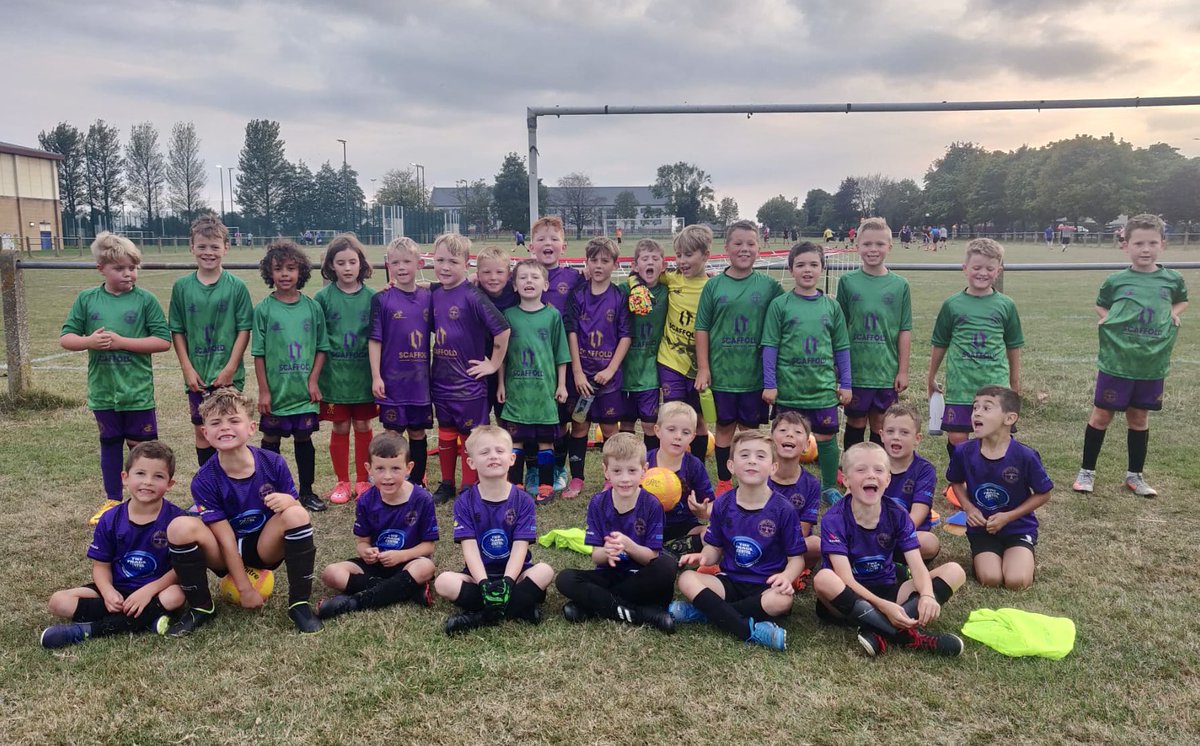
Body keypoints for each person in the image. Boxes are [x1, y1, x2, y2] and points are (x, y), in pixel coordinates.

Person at [163, 388, 323, 635]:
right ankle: (201, 607)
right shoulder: (204, 479)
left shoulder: (273, 462)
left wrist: (290, 502)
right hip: (223, 551)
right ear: (205, 433)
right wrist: (245, 588)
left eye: (234, 420)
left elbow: (301, 517)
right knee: (179, 527)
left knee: (296, 514)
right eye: (216, 422)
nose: (225, 427)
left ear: (251, 427)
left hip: (263, 548)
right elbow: (225, 539)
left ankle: (299, 605)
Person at [813, 442, 966, 657]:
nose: (871, 475)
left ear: (888, 479)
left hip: (888, 588)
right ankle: (911, 638)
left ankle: (877, 629)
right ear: (846, 480)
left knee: (955, 571)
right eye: (861, 469)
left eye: (878, 470)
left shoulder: (898, 514)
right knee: (824, 578)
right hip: (846, 596)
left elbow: (917, 566)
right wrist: (883, 606)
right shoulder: (834, 518)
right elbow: (845, 578)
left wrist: (927, 595)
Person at [60, 232, 172, 525]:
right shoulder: (87, 299)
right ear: (101, 268)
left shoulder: (145, 300)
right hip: (103, 393)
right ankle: (112, 501)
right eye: (119, 268)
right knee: (110, 444)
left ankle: (148, 501)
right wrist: (88, 342)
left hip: (137, 393)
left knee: (144, 451)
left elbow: (163, 341)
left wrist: (123, 342)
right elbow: (66, 338)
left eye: (132, 268)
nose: (128, 274)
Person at [1073, 214, 1188, 497]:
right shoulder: (1116, 280)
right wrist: (1108, 318)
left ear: (1163, 244)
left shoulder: (1172, 279)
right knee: (1101, 415)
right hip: (1117, 362)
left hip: (1150, 364)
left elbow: (1182, 300)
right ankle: (1086, 472)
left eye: (1152, 243)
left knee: (1139, 417)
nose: (1145, 249)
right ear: (1126, 245)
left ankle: (1135, 476)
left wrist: (1173, 314)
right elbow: (1101, 305)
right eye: (1138, 243)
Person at [41, 442, 186, 648]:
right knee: (58, 601)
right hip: (117, 589)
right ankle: (146, 619)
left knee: (176, 596)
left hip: (156, 591)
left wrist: (147, 592)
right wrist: (108, 592)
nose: (148, 482)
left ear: (170, 484)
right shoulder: (110, 518)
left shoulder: (178, 520)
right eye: (140, 473)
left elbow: (179, 569)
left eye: (158, 476)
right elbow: (101, 566)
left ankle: (90, 630)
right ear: (125, 478)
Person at [670, 430, 804, 652]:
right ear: (731, 466)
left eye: (760, 456)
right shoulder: (723, 503)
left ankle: (706, 612)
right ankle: (748, 629)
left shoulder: (784, 509)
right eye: (744, 455)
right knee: (686, 579)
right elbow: (714, 548)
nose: (752, 460)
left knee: (782, 600)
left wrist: (787, 577)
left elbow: (797, 559)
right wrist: (703, 557)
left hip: (766, 586)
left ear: (773, 467)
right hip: (729, 582)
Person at [434, 425, 554, 634]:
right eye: (484, 452)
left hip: (516, 575)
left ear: (512, 458)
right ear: (471, 462)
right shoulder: (464, 501)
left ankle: (481, 617)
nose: (493, 456)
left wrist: (508, 582)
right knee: (443, 582)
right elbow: (470, 550)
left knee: (545, 571)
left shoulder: (523, 500)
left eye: (500, 451)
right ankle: (519, 607)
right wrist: (482, 583)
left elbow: (520, 548)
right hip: (478, 576)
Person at [695, 219, 784, 494]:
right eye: (738, 243)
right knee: (724, 428)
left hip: (754, 376)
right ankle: (724, 481)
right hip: (722, 374)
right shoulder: (713, 286)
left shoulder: (770, 286)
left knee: (749, 431)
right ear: (726, 247)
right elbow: (702, 328)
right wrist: (703, 368)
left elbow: (786, 315)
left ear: (759, 248)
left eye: (750, 243)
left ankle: (751, 479)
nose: (744, 249)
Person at [554, 433, 676, 631]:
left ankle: (593, 606)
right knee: (565, 578)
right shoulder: (598, 503)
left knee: (667, 566)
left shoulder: (652, 504)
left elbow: (651, 557)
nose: (625, 478)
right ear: (606, 471)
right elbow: (597, 556)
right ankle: (639, 614)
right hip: (609, 575)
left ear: (644, 471)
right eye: (617, 471)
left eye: (632, 470)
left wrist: (628, 545)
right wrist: (607, 552)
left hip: (641, 577)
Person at [762, 241, 851, 505]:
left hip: (822, 389)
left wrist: (846, 383)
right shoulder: (780, 305)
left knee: (826, 437)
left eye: (813, 264)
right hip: (789, 389)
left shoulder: (832, 307)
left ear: (822, 268)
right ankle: (782, 481)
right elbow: (770, 346)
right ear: (791, 269)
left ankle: (827, 487)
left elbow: (842, 347)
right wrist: (770, 383)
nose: (807, 270)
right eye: (800, 265)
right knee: (785, 437)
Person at [316, 432, 438, 619]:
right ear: (369, 469)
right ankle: (406, 590)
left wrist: (401, 556)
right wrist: (366, 551)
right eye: (380, 468)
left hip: (408, 563)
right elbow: (362, 542)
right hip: (376, 566)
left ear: (409, 468)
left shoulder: (422, 499)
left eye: (395, 469)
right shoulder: (366, 500)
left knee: (426, 568)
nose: (387, 476)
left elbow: (428, 546)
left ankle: (355, 602)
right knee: (331, 573)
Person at [429, 233, 511, 504]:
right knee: (445, 433)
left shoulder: (473, 296)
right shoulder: (435, 293)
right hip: (441, 381)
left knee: (471, 437)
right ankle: (446, 484)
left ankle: (468, 485)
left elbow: (503, 330)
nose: (445, 267)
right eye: (440, 260)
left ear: (466, 264)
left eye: (453, 262)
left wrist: (493, 364)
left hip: (469, 384)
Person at [927, 238, 1023, 461]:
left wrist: (1014, 381)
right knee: (957, 437)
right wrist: (931, 376)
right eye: (977, 267)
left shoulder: (1006, 305)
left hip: (995, 384)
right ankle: (961, 476)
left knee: (994, 434)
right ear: (965, 268)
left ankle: (988, 474)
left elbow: (1013, 345)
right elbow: (940, 342)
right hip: (960, 385)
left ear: (998, 271)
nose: (982, 273)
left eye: (989, 268)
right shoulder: (952, 304)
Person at [169, 216, 253, 468]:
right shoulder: (182, 287)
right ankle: (209, 484)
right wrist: (187, 369)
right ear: (191, 247)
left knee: (231, 429)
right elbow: (177, 330)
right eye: (202, 246)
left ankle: (234, 481)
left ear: (226, 247)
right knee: (203, 431)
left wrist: (230, 368)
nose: (208, 252)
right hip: (197, 376)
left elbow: (244, 329)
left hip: (229, 376)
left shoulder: (237, 287)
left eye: (215, 246)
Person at [948, 386, 1052, 590]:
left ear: (1009, 418)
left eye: (986, 408)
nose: (977, 413)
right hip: (982, 529)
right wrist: (969, 508)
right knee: (991, 579)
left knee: (1016, 581)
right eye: (975, 407)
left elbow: (1044, 493)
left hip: (1017, 527)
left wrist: (1008, 517)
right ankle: (987, 556)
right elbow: (956, 482)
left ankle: (1021, 553)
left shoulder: (1025, 456)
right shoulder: (963, 451)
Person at [252, 239, 328, 512]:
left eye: (291, 268)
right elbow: (258, 353)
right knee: (271, 440)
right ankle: (270, 492)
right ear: (269, 273)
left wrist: (313, 380)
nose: (285, 274)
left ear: (301, 271)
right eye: (278, 269)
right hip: (277, 392)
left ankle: (306, 491)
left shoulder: (312, 307)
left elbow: (321, 347)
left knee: (304, 439)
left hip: (303, 393)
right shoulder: (263, 309)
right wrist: (264, 391)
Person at [563, 237, 632, 498]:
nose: (599, 265)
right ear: (587, 263)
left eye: (605, 261)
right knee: (580, 425)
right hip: (582, 379)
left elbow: (625, 336)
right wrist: (578, 372)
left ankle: (611, 479)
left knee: (610, 429)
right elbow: (571, 332)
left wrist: (611, 370)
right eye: (594, 260)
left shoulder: (619, 297)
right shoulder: (578, 295)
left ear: (615, 264)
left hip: (608, 379)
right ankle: (576, 479)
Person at [498, 259, 570, 504]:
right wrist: (501, 384)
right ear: (514, 286)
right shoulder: (508, 316)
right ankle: (515, 486)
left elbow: (561, 353)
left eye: (535, 277)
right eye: (523, 277)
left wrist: (562, 384)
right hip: (517, 392)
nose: (529, 281)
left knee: (545, 441)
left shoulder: (552, 316)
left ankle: (546, 487)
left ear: (546, 285)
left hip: (544, 393)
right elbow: (502, 357)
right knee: (515, 440)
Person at [836, 218, 912, 450]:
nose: (873, 249)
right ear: (857, 246)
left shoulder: (900, 285)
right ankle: (851, 465)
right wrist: (837, 364)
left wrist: (902, 370)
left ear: (890, 246)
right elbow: (839, 327)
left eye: (879, 244)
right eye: (867, 244)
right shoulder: (847, 282)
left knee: (881, 422)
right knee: (856, 420)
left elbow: (904, 329)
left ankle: (879, 466)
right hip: (856, 369)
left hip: (885, 370)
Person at [315, 234, 378, 505]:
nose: (348, 268)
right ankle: (342, 481)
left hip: (363, 376)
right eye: (341, 263)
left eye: (352, 261)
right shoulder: (322, 298)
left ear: (361, 263)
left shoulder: (373, 297)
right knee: (340, 426)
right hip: (334, 377)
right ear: (331, 265)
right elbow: (317, 339)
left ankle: (363, 480)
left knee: (363, 424)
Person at [370, 237, 433, 488]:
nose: (401, 267)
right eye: (395, 263)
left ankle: (416, 483)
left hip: (419, 383)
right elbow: (375, 340)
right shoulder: (382, 299)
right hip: (392, 381)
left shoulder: (428, 297)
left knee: (418, 432)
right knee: (393, 434)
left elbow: (452, 288)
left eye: (407, 261)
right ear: (388, 266)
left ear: (419, 264)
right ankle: (392, 480)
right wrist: (376, 376)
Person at [530, 215, 583, 491]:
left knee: (562, 421)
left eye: (553, 238)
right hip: (532, 364)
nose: (547, 243)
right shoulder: (523, 274)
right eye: (541, 239)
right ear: (531, 246)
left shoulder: (575, 278)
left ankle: (560, 469)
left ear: (564, 246)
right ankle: (533, 471)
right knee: (533, 420)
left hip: (564, 362)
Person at [656, 224, 714, 461]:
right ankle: (670, 465)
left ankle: (696, 466)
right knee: (672, 416)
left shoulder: (713, 287)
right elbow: (641, 274)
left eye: (688, 255)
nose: (682, 261)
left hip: (699, 365)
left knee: (697, 419)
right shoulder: (671, 279)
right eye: (678, 255)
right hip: (670, 360)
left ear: (706, 255)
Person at [619, 239, 669, 452]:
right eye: (645, 259)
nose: (650, 262)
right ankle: (627, 460)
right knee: (626, 422)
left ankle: (651, 462)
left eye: (655, 259)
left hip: (650, 369)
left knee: (650, 423)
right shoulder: (623, 290)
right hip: (625, 368)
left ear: (663, 265)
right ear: (634, 265)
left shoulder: (668, 290)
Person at [648, 401, 716, 557]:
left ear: (692, 437)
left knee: (711, 533)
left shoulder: (694, 466)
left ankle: (670, 550)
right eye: (671, 430)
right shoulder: (644, 462)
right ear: (658, 431)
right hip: (647, 524)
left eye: (685, 432)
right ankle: (663, 551)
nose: (678, 436)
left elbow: (711, 505)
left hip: (684, 526)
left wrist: (702, 511)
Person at [880, 403, 940, 564]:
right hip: (871, 532)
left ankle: (890, 561)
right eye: (890, 431)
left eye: (904, 432)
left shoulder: (925, 470)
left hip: (905, 535)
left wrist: (889, 535)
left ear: (917, 438)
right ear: (881, 435)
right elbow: (849, 503)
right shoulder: (871, 463)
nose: (896, 437)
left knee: (930, 542)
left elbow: (917, 515)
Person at [768, 411, 822, 570]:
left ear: (807, 445)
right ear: (771, 440)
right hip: (760, 537)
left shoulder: (811, 484)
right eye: (783, 430)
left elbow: (803, 530)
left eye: (798, 432)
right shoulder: (760, 475)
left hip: (792, 543)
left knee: (816, 544)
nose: (790, 435)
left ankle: (799, 571)